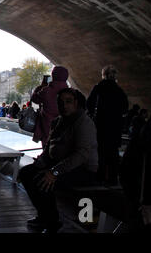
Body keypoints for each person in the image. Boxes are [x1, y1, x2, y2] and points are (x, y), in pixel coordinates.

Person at [19, 88, 98, 233]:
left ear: (76, 103)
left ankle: (52, 221)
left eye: (68, 102)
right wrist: (40, 162)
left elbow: (81, 155)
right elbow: (49, 147)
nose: (64, 105)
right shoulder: (58, 122)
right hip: (60, 165)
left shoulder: (83, 123)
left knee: (41, 180)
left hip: (82, 170)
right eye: (60, 102)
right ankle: (45, 216)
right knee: (25, 172)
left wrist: (54, 172)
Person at [120, 96, 151, 233]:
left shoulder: (143, 134)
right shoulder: (149, 139)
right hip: (149, 206)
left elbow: (125, 171)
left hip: (142, 204)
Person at [87, 65, 128, 185]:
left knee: (101, 152)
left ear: (103, 75)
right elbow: (125, 108)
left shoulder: (98, 88)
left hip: (101, 125)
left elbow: (89, 104)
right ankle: (113, 178)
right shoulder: (119, 91)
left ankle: (100, 177)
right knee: (113, 153)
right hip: (115, 127)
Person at [31, 66, 69, 147]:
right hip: (65, 126)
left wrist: (40, 87)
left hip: (47, 124)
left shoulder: (46, 90)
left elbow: (34, 99)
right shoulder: (71, 92)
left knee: (47, 146)